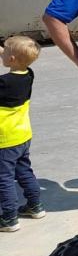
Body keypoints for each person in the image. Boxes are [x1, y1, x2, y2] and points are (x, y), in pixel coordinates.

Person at [0, 36, 44, 232]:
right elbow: (14, 57)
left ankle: (9, 218)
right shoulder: (29, 74)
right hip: (23, 136)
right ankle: (35, 206)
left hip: (5, 139)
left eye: (6, 51)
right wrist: (6, 50)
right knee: (24, 170)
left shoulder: (4, 83)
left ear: (11, 60)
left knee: (4, 178)